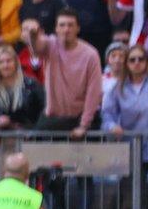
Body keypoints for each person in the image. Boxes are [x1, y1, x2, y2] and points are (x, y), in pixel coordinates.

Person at [101, 44, 148, 209]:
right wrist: (112, 126)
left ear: (146, 62)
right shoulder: (117, 88)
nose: (136, 63)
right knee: (130, 201)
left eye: (140, 59)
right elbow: (107, 114)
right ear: (127, 64)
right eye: (132, 60)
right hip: (129, 150)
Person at [23, 8, 102, 138]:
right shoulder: (50, 44)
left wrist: (83, 125)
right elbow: (36, 48)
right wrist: (33, 34)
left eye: (71, 25)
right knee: (32, 147)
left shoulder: (90, 54)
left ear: (78, 28)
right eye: (62, 25)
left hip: (80, 117)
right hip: (53, 117)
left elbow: (94, 93)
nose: (66, 29)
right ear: (56, 29)